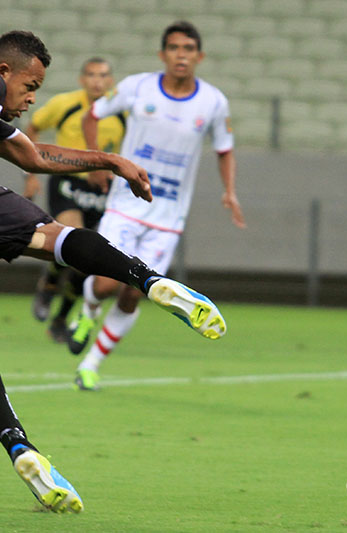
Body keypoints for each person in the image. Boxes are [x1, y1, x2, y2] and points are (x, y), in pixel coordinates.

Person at [0, 30, 226, 514]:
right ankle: (149, 280)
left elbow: (34, 156)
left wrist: (111, 160)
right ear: (6, 71)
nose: (32, 98)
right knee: (52, 239)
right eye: (31, 85)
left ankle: (19, 447)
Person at [70, 21, 245, 391]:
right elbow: (92, 115)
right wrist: (96, 163)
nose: (182, 55)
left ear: (200, 56)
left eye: (189, 49)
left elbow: (225, 149)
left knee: (137, 291)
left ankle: (91, 364)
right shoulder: (137, 86)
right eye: (175, 48)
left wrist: (230, 191)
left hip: (168, 217)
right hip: (125, 205)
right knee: (104, 285)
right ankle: (87, 310)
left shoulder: (213, 102)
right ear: (163, 54)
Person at [22, 58, 124, 342]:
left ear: (111, 80)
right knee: (73, 239)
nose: (97, 81)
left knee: (87, 260)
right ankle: (50, 285)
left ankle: (61, 318)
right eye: (91, 75)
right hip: (67, 182)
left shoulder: (122, 113)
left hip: (102, 187)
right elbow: (33, 128)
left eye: (103, 75)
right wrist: (31, 173)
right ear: (82, 80)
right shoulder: (65, 104)